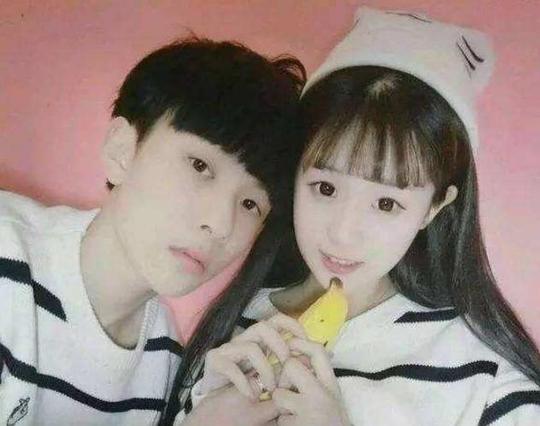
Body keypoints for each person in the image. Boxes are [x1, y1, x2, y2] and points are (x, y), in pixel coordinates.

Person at [186, 7, 540, 426]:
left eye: (387, 203)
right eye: (326, 188)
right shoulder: (234, 335)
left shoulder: (488, 383)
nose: (344, 233)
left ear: (435, 207)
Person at [0, 36, 306, 425]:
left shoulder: (166, 364)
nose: (220, 224)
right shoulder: (8, 263)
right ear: (121, 150)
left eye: (250, 204)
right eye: (200, 166)